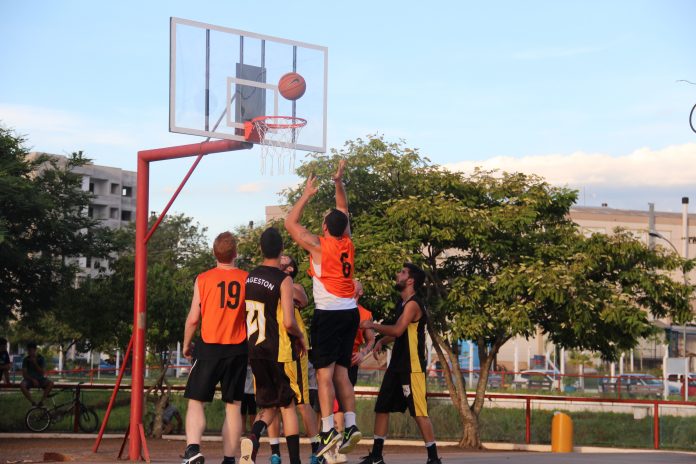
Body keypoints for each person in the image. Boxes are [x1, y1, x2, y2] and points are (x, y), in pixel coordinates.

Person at [284, 160, 361, 458]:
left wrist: (305, 195)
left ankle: (328, 429)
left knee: (325, 376)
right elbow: (343, 209)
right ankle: (351, 425)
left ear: (326, 227)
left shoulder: (320, 245)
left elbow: (291, 224)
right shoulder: (347, 242)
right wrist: (338, 182)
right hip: (350, 313)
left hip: (329, 314)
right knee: (342, 373)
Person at [358, 264, 442, 464]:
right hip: (396, 365)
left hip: (411, 367)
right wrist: (381, 341)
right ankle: (376, 456)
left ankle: (433, 459)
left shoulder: (413, 304)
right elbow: (398, 331)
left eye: (402, 273)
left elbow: (397, 330)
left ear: (410, 280)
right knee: (382, 407)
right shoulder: (402, 303)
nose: (398, 274)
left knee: (419, 413)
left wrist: (372, 325)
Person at [240, 228, 309, 464]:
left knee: (269, 405)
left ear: (260, 248)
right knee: (288, 406)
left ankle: (253, 436)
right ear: (281, 250)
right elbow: (289, 321)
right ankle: (295, 460)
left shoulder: (250, 277)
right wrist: (300, 336)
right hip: (277, 351)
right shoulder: (283, 280)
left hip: (255, 350)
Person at [181, 231, 249, 464]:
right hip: (238, 347)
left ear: (214, 252)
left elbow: (193, 318)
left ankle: (193, 449)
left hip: (209, 346)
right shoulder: (246, 279)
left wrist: (187, 344)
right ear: (235, 253)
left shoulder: (203, 279)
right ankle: (229, 459)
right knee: (233, 406)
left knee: (196, 401)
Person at [266, 255, 323, 464]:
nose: (279, 259)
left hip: (293, 347)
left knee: (301, 402)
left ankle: (316, 450)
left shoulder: (293, 285)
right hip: (273, 347)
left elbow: (304, 300)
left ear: (290, 269)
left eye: (284, 259)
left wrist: (284, 284)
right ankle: (275, 452)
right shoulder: (269, 282)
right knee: (273, 404)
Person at [328, 281, 375, 464]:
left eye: (354, 283)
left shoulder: (365, 313)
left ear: (360, 292)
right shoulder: (334, 306)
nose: (350, 283)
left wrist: (363, 353)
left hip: (349, 361)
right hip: (331, 359)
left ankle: (339, 448)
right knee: (326, 405)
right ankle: (325, 449)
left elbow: (370, 339)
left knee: (340, 405)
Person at [19, 342, 53, 406]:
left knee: (51, 383)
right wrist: (32, 379)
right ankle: (33, 402)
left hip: (40, 379)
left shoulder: (41, 358)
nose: (29, 352)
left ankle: (42, 401)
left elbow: (42, 372)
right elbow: (24, 374)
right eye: (28, 350)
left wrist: (35, 363)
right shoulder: (26, 360)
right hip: (29, 380)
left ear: (35, 350)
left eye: (30, 350)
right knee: (22, 385)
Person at [241, 362, 256, 433]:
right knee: (242, 413)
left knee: (252, 413)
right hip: (242, 392)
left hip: (252, 393)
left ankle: (253, 431)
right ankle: (242, 430)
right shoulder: (241, 365)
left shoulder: (255, 366)